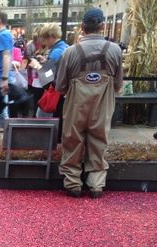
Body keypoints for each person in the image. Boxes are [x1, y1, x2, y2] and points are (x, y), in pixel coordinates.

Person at [55, 7, 123, 199]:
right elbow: (118, 85)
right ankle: (96, 185)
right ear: (102, 26)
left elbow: (60, 87)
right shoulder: (115, 50)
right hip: (102, 105)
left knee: (72, 141)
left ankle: (73, 183)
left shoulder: (70, 52)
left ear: (82, 26)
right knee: (99, 141)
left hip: (76, 104)